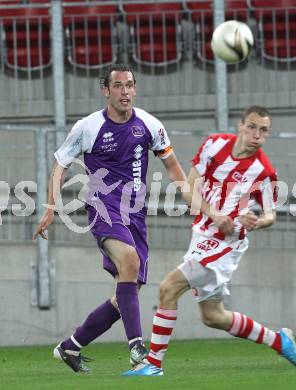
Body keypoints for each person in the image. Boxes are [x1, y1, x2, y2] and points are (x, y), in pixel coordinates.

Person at [33, 64, 188, 373]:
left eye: (129, 85)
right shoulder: (88, 127)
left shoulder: (150, 125)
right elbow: (60, 164)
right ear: (106, 90)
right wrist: (51, 207)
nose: (125, 91)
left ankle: (69, 347)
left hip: (136, 215)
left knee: (125, 294)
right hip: (103, 208)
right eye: (118, 86)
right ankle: (137, 349)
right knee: (129, 260)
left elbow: (172, 166)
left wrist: (193, 200)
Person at [123, 105, 296, 376]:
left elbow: (271, 215)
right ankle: (280, 341)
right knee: (213, 316)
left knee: (169, 287)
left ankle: (153, 364)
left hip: (227, 244)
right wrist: (215, 214)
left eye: (263, 131)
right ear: (240, 126)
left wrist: (257, 221)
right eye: (252, 127)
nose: (257, 135)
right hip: (202, 234)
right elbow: (189, 191)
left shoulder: (263, 170)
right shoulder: (213, 145)